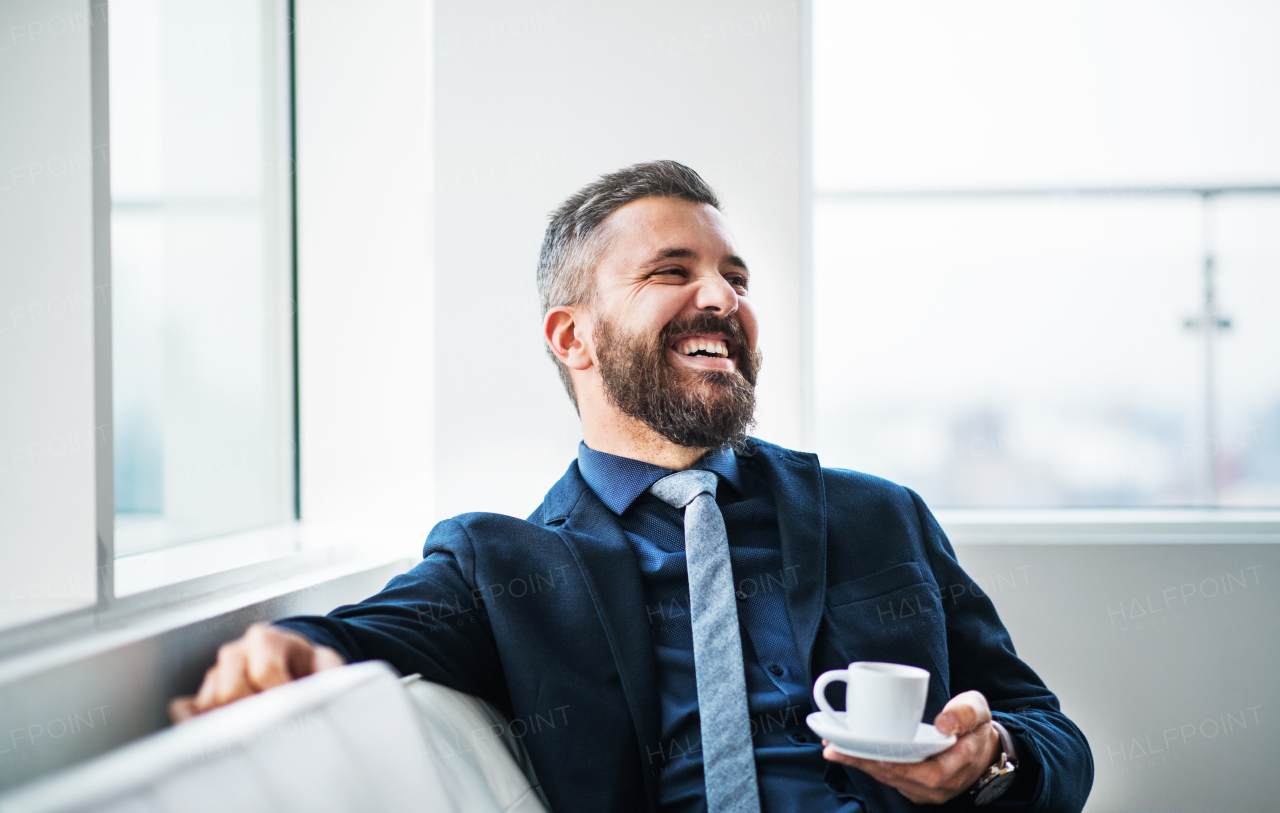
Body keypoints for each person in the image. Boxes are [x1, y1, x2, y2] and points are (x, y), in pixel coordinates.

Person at [169, 161, 1092, 813]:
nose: (725, 298)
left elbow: (1053, 736)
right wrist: (283, 649)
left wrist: (990, 760)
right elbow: (362, 633)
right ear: (571, 337)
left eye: (736, 276)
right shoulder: (502, 562)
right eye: (672, 272)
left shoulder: (879, 515)